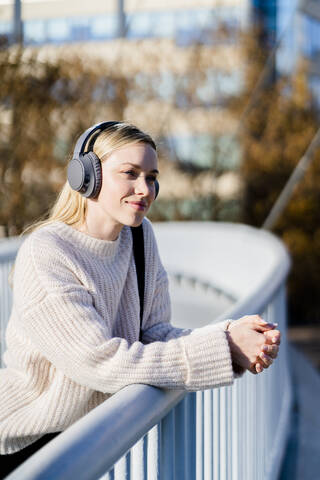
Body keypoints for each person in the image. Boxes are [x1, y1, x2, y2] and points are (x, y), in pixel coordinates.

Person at [0, 121, 280, 477]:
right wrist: (223, 349)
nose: (144, 189)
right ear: (87, 176)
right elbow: (99, 362)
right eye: (129, 173)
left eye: (151, 177)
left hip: (90, 437)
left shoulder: (139, 238)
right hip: (27, 444)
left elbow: (154, 333)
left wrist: (229, 336)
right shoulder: (48, 254)